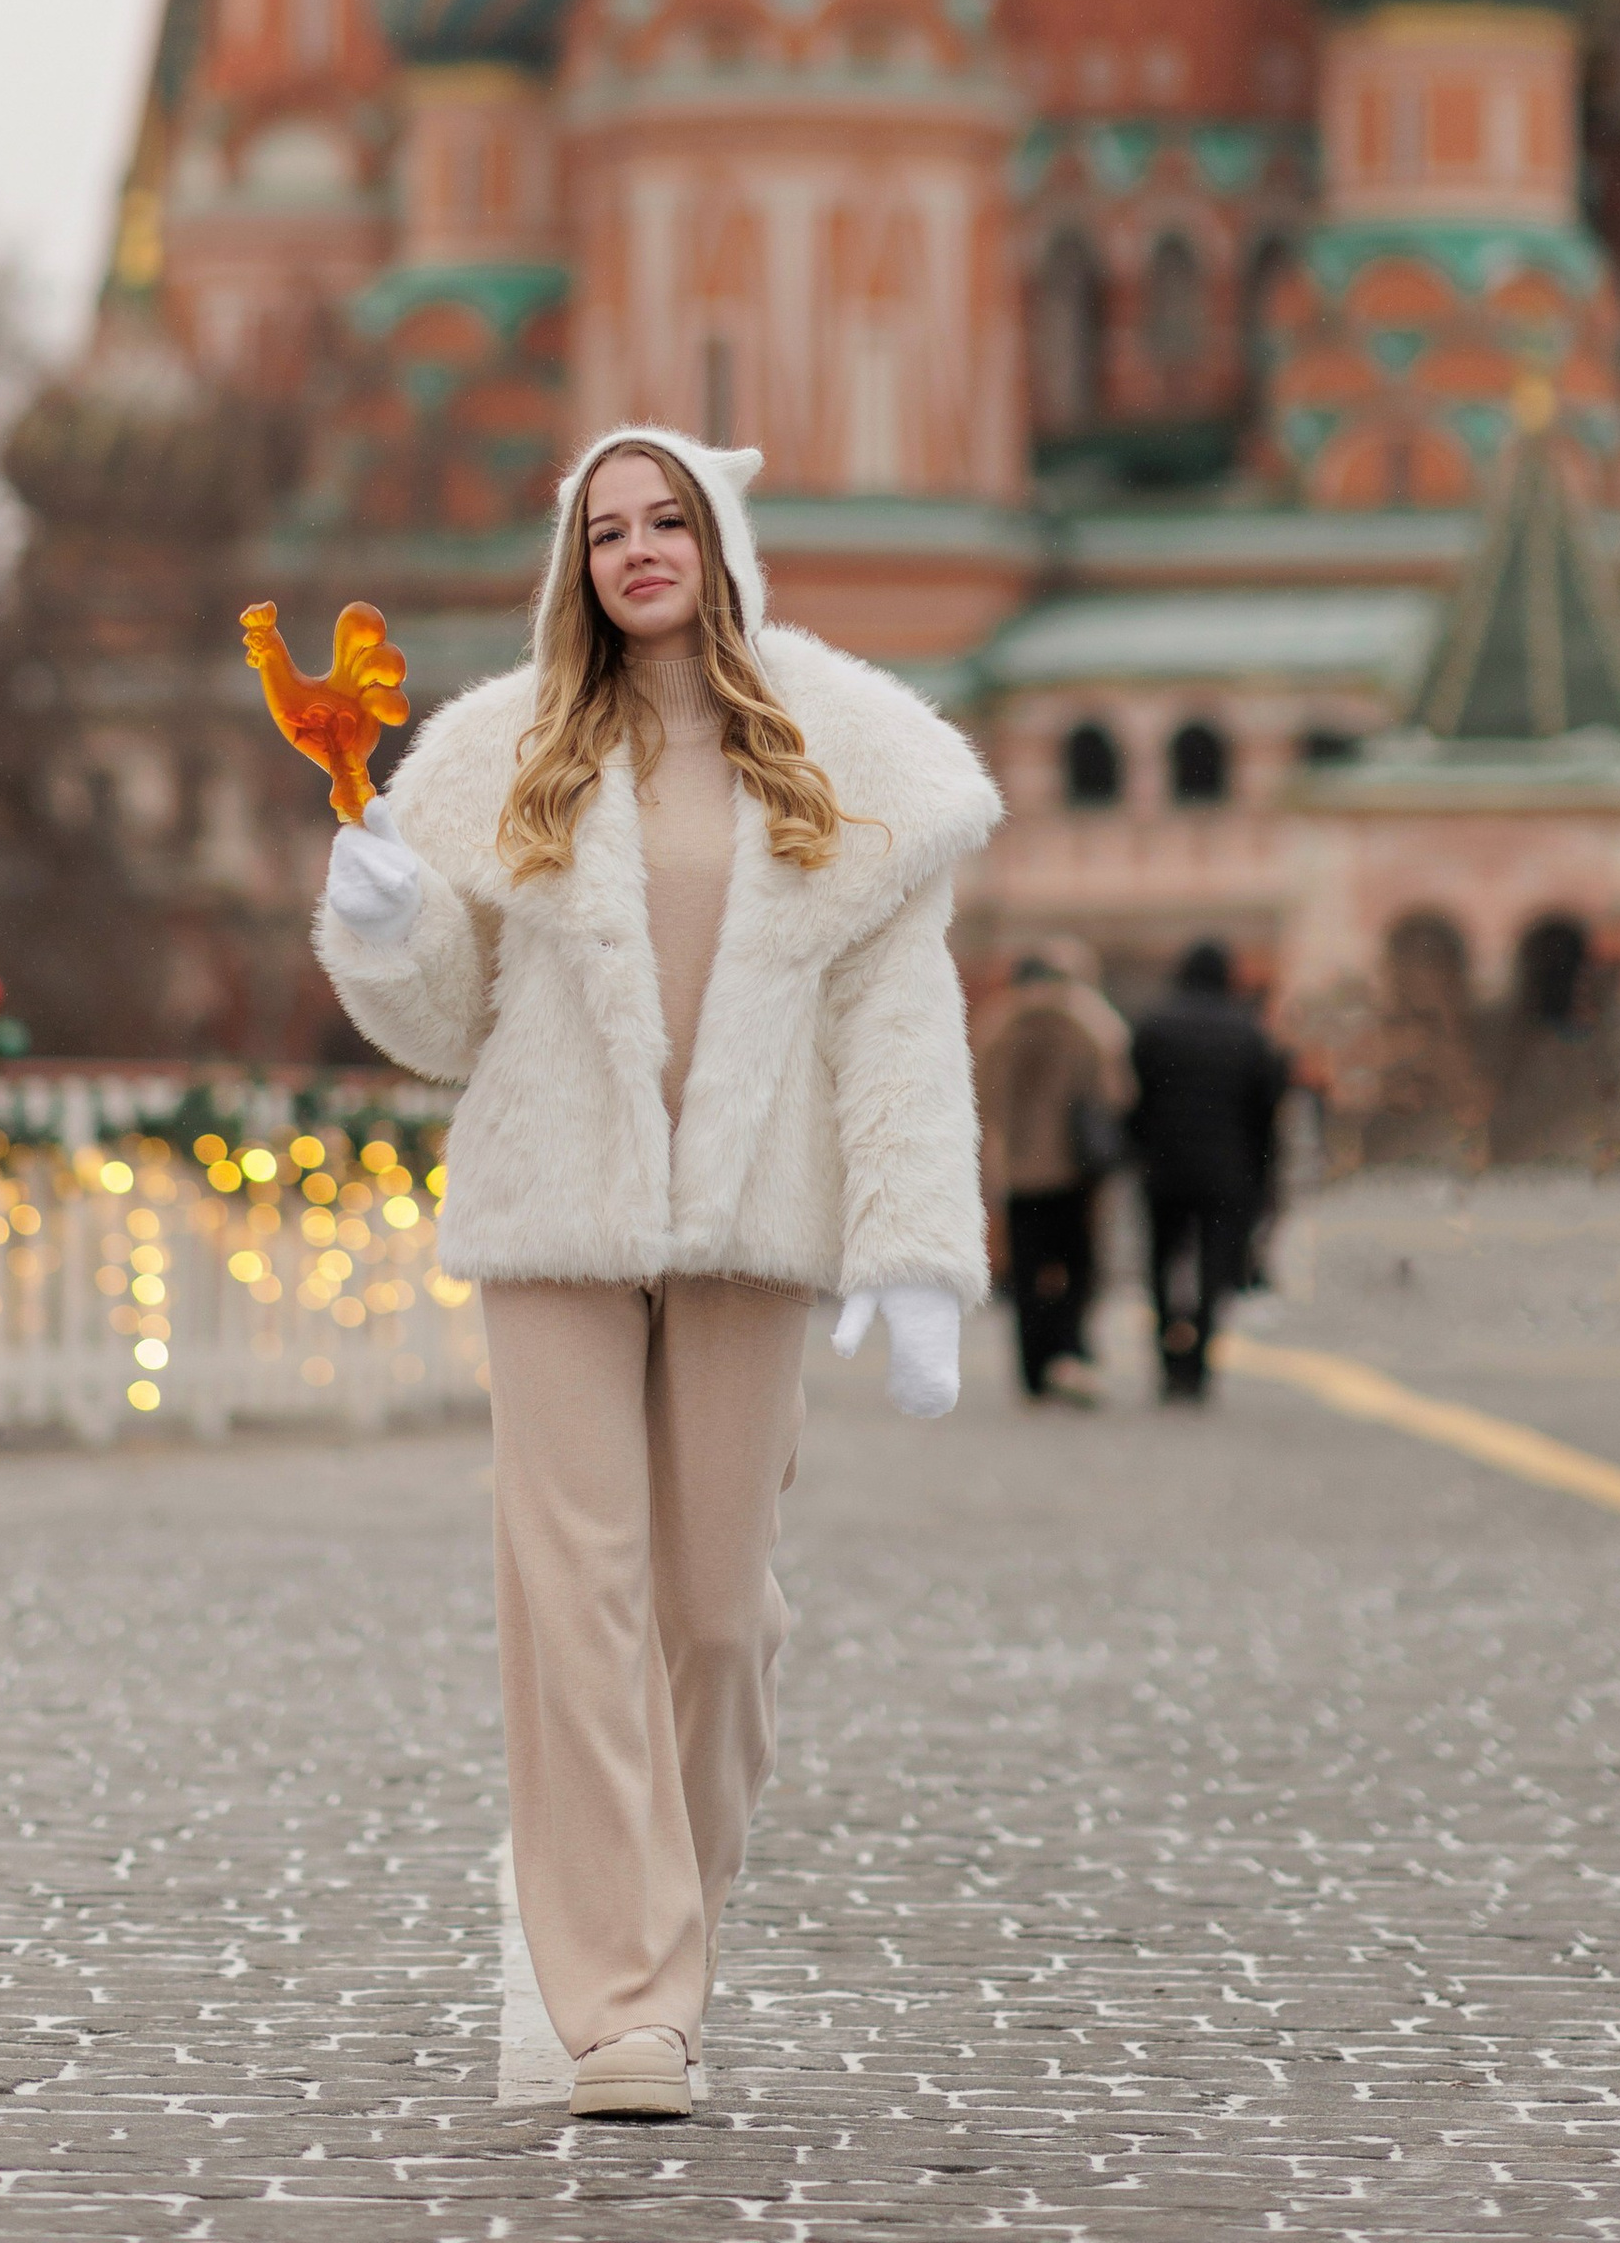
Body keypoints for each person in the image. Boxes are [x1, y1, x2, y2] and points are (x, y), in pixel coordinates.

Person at [313, 425, 1000, 2120]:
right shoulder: (504, 756)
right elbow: (445, 1027)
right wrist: (391, 925)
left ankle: (652, 1902)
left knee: (713, 1613)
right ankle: (627, 1998)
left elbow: (897, 1018)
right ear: (578, 565)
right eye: (606, 529)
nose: (635, 550)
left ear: (719, 543)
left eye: (664, 521)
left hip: (753, 1227)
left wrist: (917, 1253)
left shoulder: (841, 759)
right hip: (557, 1213)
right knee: (578, 1591)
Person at [1128, 941, 1288, 1403]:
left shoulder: (1154, 1026)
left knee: (1161, 1262)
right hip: (1227, 1171)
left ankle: (1167, 1357)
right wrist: (1264, 1179)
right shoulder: (1248, 1032)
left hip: (1165, 1168)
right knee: (1215, 1267)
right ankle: (1198, 1357)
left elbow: (1137, 1103)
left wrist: (1140, 1150)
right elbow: (1265, 1113)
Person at [973, 950, 1128, 1403]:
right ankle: (1070, 1351)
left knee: (1025, 1270)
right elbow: (1115, 1091)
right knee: (1076, 1267)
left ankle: (1032, 1368)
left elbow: (981, 1095)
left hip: (1018, 1170)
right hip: (1074, 1171)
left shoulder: (999, 1024)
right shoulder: (1089, 1021)